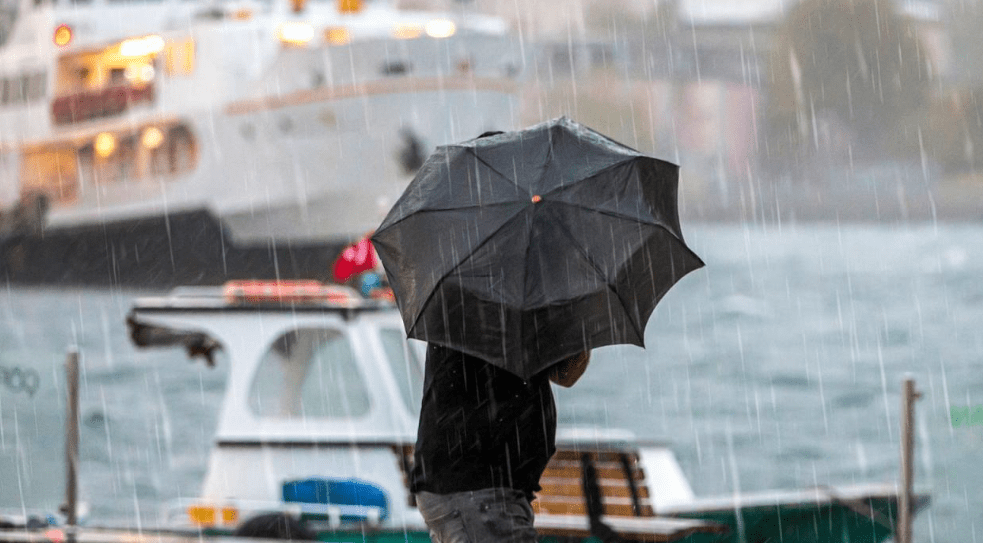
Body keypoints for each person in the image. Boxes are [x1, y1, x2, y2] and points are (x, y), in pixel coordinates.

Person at [410, 346, 591, 543]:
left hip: (487, 490)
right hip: (475, 486)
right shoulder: (481, 319)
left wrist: (577, 332)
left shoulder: (523, 324)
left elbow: (565, 374)